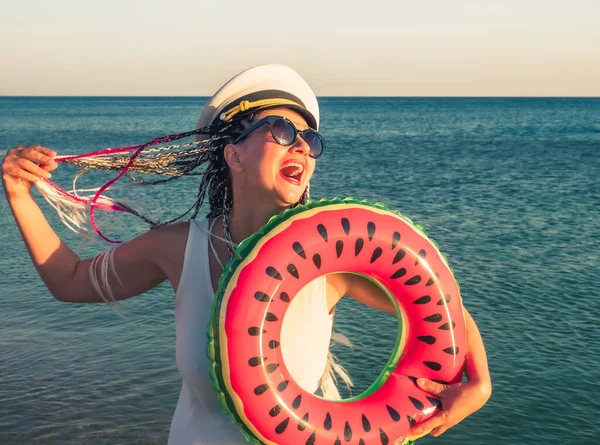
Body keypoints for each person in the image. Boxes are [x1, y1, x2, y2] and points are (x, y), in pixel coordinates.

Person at [2, 64, 491, 444]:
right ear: (233, 155)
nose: (300, 143)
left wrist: (480, 383)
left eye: (309, 138)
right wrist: (19, 194)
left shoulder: (334, 261)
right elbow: (69, 281)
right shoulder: (179, 248)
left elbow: (444, 309)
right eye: (280, 130)